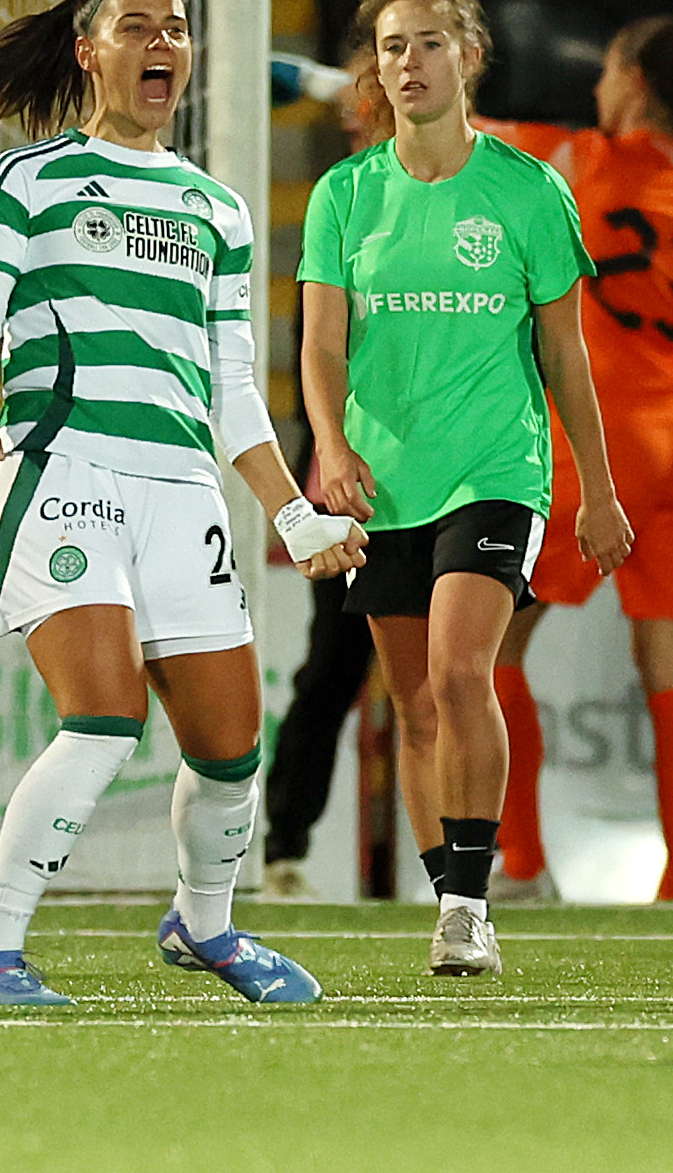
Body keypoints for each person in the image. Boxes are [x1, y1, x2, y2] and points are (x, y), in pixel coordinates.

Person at [0, 0, 363, 1008]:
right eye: (137, 24)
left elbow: (229, 388)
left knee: (230, 746)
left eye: (176, 25)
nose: (162, 40)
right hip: (61, 470)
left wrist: (295, 514)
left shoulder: (215, 206)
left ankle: (203, 923)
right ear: (90, 50)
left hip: (182, 492)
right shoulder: (24, 179)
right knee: (103, 717)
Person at [298, 0, 629, 978]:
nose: (410, 61)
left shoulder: (528, 190)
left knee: (457, 669)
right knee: (411, 700)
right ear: (376, 67)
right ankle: (447, 892)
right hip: (382, 477)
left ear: (469, 58)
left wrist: (600, 489)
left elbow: (566, 353)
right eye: (393, 45)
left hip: (494, 469)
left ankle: (470, 902)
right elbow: (319, 342)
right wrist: (331, 447)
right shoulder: (344, 193)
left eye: (431, 42)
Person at [484, 17, 673, 907]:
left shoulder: (580, 159)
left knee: (492, 652)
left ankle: (523, 868)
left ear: (634, 82)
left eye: (604, 68)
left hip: (595, 445)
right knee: (670, 663)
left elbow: (464, 134)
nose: (597, 89)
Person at [259, 53, 388, 902]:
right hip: (348, 477)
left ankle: (474, 866)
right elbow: (256, 68)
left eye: (360, 91)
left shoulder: (484, 177)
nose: (348, 107)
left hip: (461, 468)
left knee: (451, 678)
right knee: (331, 673)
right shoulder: (343, 196)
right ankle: (284, 850)